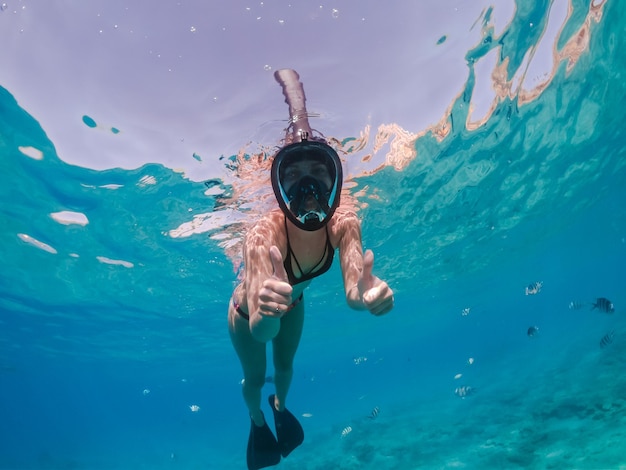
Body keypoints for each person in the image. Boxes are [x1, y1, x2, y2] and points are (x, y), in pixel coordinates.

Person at [227, 69, 394, 470]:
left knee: (285, 368)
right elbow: (260, 329)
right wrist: (266, 312)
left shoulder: (344, 222)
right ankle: (257, 421)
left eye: (319, 174)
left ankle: (280, 407)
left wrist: (364, 296)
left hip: (294, 304)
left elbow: (354, 288)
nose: (308, 190)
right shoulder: (263, 234)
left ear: (335, 180)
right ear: (279, 188)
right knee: (255, 377)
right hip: (249, 314)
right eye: (294, 177)